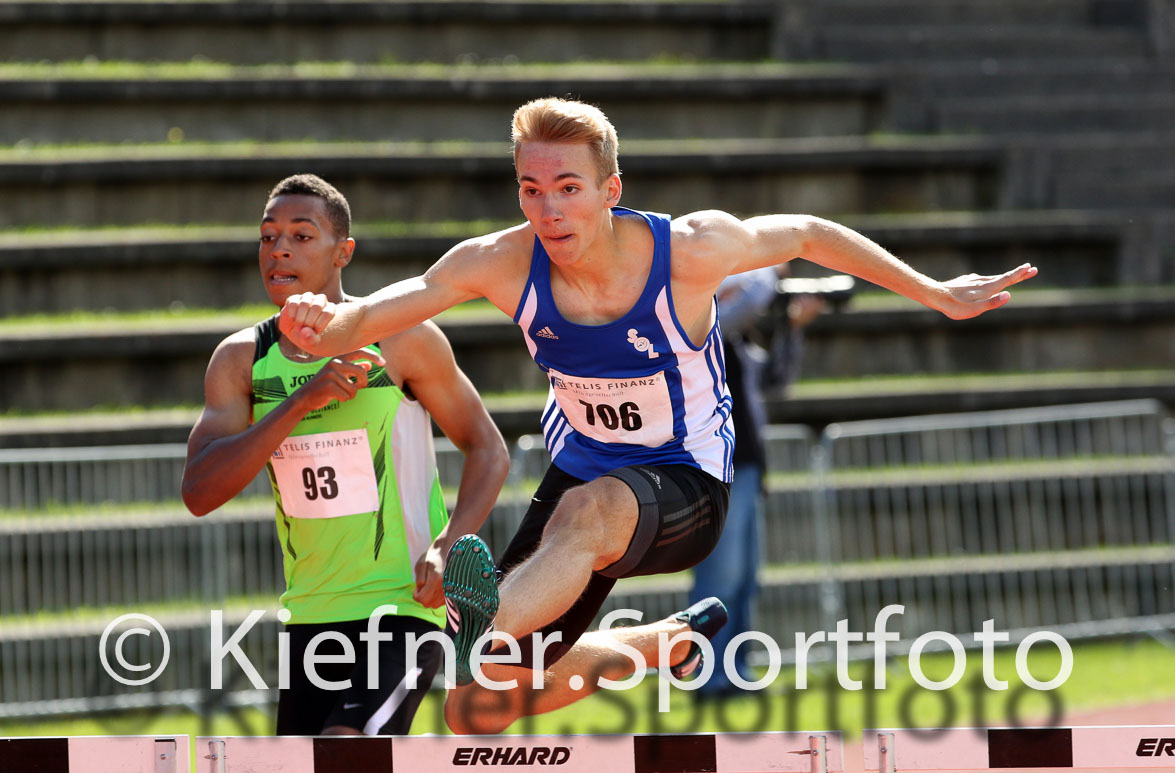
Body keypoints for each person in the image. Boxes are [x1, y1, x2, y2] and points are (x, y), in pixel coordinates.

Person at [276, 97, 1037, 733]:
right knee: (478, 706)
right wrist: (320, 319)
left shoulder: (688, 251)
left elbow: (807, 233)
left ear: (611, 190)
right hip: (584, 469)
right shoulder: (499, 261)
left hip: (687, 483)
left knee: (587, 511)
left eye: (568, 187)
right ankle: (649, 646)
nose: (548, 208)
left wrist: (935, 292)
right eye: (531, 189)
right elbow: (373, 312)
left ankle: (477, 625)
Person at [180, 174, 511, 736]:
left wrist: (447, 545)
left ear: (343, 252)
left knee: (344, 751)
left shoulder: (402, 338)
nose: (279, 248)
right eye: (268, 236)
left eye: (302, 236)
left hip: (405, 608)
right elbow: (200, 492)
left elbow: (488, 448)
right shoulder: (241, 360)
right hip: (311, 613)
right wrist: (302, 400)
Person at [688, 266, 826, 699]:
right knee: (719, 578)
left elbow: (776, 380)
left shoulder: (737, 341)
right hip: (714, 474)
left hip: (746, 469)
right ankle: (708, 676)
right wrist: (770, 264)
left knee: (745, 579)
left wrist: (793, 328)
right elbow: (748, 300)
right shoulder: (698, 324)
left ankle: (736, 672)